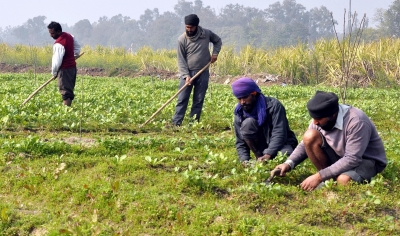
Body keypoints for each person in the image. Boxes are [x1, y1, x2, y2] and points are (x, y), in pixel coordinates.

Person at [273, 91, 387, 191]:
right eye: (314, 118)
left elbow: (352, 158)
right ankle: (330, 179)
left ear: (333, 115)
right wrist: (288, 164)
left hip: (366, 160)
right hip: (342, 157)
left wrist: (319, 176)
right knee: (309, 136)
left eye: (318, 119)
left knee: (343, 181)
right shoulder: (320, 118)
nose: (315, 122)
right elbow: (304, 145)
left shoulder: (356, 121)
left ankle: (330, 179)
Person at [171, 14, 222, 126]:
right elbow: (181, 60)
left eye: (191, 27)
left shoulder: (206, 34)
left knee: (198, 100)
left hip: (203, 72)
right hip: (188, 73)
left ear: (196, 26)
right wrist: (186, 76)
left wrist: (215, 53)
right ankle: (176, 123)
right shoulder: (182, 40)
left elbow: (218, 41)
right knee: (182, 99)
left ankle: (193, 123)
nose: (189, 29)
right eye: (187, 27)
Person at [232, 77, 298, 163]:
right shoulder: (240, 113)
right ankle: (259, 158)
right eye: (239, 99)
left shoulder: (274, 106)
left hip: (282, 144)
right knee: (248, 123)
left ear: (254, 94)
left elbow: (279, 133)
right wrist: (244, 159)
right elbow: (240, 141)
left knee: (285, 156)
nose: (242, 102)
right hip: (261, 147)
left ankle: (266, 158)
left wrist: (269, 153)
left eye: (245, 97)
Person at [47, 21, 81, 106]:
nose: (51, 35)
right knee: (69, 90)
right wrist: (74, 55)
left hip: (64, 70)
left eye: (52, 33)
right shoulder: (70, 36)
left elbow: (56, 61)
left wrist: (54, 73)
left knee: (65, 92)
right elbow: (77, 48)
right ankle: (68, 110)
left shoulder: (59, 44)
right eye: (50, 33)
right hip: (72, 68)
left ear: (58, 31)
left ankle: (66, 112)